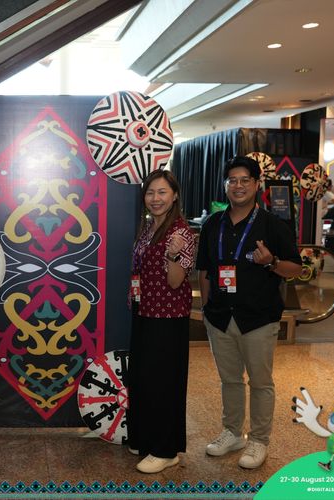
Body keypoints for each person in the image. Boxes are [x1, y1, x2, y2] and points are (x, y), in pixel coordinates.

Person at [195, 156, 301, 469]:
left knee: (260, 382)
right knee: (229, 380)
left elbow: (295, 269)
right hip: (220, 316)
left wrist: (271, 262)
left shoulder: (273, 225)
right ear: (225, 185)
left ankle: (258, 440)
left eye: (245, 180)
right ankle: (232, 432)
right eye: (233, 180)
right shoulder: (213, 224)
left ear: (256, 185)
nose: (238, 186)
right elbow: (205, 270)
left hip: (258, 317)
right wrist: (206, 309)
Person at [127, 169, 197, 474]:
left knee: (164, 384)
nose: (155, 198)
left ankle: (166, 450)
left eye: (162, 192)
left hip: (168, 318)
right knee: (144, 379)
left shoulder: (181, 233)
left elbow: (175, 281)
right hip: (144, 312)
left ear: (175, 195)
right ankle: (145, 439)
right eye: (150, 192)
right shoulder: (148, 227)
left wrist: (173, 256)